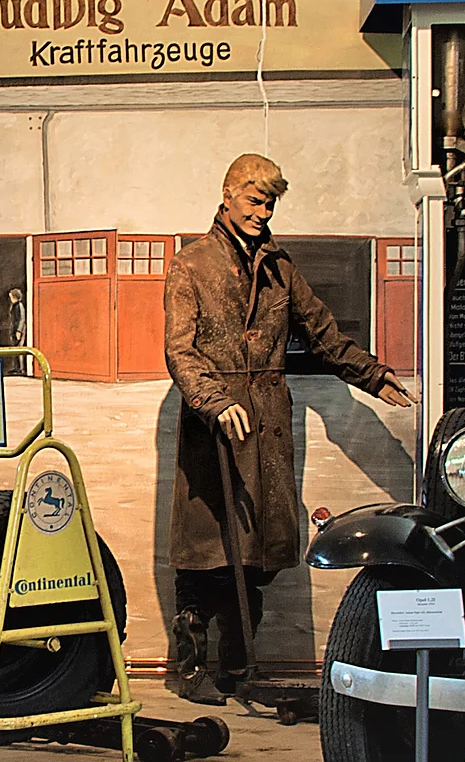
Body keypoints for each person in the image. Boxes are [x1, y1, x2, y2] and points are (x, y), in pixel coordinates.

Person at [162, 153, 414, 704]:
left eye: (270, 202)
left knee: (260, 553)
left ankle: (237, 661)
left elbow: (324, 333)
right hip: (214, 426)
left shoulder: (280, 267)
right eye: (255, 199)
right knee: (208, 550)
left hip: (268, 424)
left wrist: (373, 376)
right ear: (228, 195)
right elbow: (179, 351)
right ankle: (189, 666)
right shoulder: (192, 264)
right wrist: (212, 398)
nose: (263, 210)